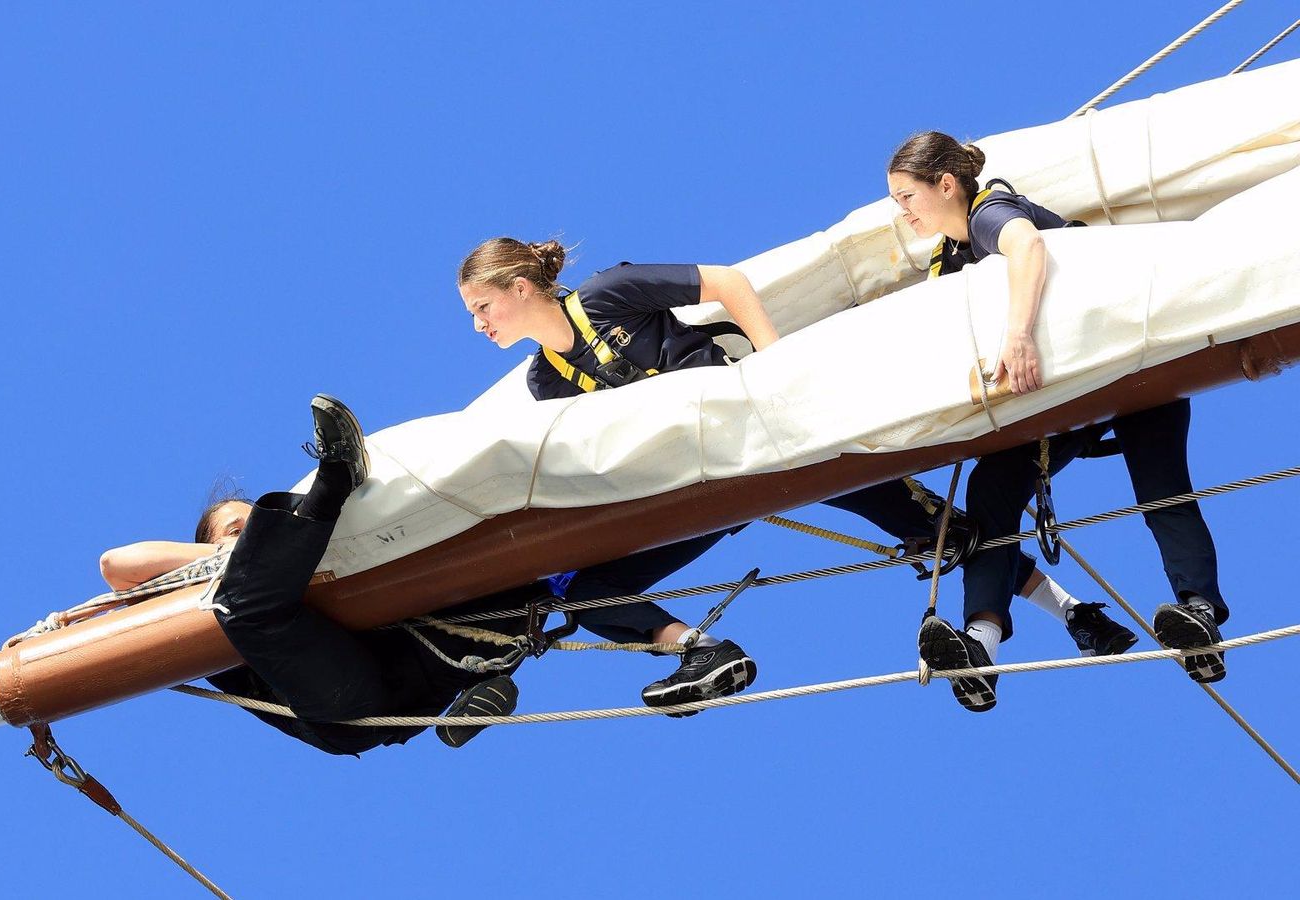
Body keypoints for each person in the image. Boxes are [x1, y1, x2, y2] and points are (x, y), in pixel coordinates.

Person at [457, 239, 1130, 709]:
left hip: (763, 433)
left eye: (482, 307)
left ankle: (1074, 613)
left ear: (519, 288)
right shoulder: (549, 380)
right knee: (586, 589)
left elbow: (725, 283)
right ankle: (700, 650)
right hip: (699, 486)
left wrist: (777, 372)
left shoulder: (608, 293)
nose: (478, 325)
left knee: (939, 532)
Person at [887, 131, 1228, 712]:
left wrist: (1017, 337)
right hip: (1068, 399)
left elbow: (1028, 248)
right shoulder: (948, 263)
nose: (902, 212)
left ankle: (1198, 613)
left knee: (1161, 486)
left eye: (906, 196)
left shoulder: (990, 212)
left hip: (1129, 365)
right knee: (993, 488)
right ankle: (981, 644)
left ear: (945, 184)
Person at [100, 394, 533, 754]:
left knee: (525, 571)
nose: (254, 534)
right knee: (244, 606)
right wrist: (228, 551)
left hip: (426, 659)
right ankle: (335, 480)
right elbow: (116, 566)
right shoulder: (213, 593)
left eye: (258, 526)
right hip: (350, 707)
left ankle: (495, 667)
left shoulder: (312, 556)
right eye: (239, 528)